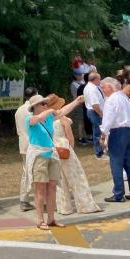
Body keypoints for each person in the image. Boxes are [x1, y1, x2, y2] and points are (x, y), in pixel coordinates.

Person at [26, 95, 82, 229]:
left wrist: (76, 101)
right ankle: (40, 220)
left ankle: (51, 219)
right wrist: (49, 111)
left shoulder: (49, 118)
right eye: (43, 104)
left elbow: (63, 111)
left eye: (46, 104)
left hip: (52, 155)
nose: (46, 106)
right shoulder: (30, 119)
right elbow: (37, 119)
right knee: (40, 189)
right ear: (35, 107)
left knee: (52, 188)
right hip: (39, 156)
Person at [44, 95, 100, 215]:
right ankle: (86, 205)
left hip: (52, 149)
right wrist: (71, 148)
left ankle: (64, 207)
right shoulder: (63, 119)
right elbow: (69, 137)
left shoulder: (44, 120)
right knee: (77, 176)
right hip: (63, 146)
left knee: (59, 179)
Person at [100, 77, 130, 203]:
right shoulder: (124, 98)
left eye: (104, 87)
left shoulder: (110, 100)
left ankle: (118, 193)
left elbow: (108, 119)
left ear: (110, 87)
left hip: (118, 132)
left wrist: (103, 135)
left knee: (116, 163)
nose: (102, 89)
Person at [14, 87, 38, 211]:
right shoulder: (33, 109)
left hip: (23, 144)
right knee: (39, 172)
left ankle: (24, 199)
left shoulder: (19, 110)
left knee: (26, 172)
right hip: (34, 144)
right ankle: (41, 200)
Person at [83, 72, 105, 158]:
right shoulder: (91, 89)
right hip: (95, 111)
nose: (100, 80)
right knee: (98, 132)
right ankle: (99, 151)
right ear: (95, 79)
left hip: (94, 111)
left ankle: (100, 149)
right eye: (99, 79)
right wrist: (101, 114)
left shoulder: (91, 87)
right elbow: (95, 105)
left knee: (98, 131)